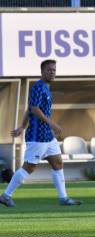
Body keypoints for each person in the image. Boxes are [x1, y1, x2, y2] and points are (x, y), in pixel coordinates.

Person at [0, 59, 81, 207]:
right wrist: (52, 123)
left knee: (58, 162)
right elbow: (34, 109)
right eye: (49, 70)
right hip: (38, 136)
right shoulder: (38, 87)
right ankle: (6, 195)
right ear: (42, 71)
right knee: (29, 167)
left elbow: (29, 108)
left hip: (48, 137)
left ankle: (63, 198)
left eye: (54, 70)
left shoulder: (45, 88)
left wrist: (21, 126)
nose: (52, 72)